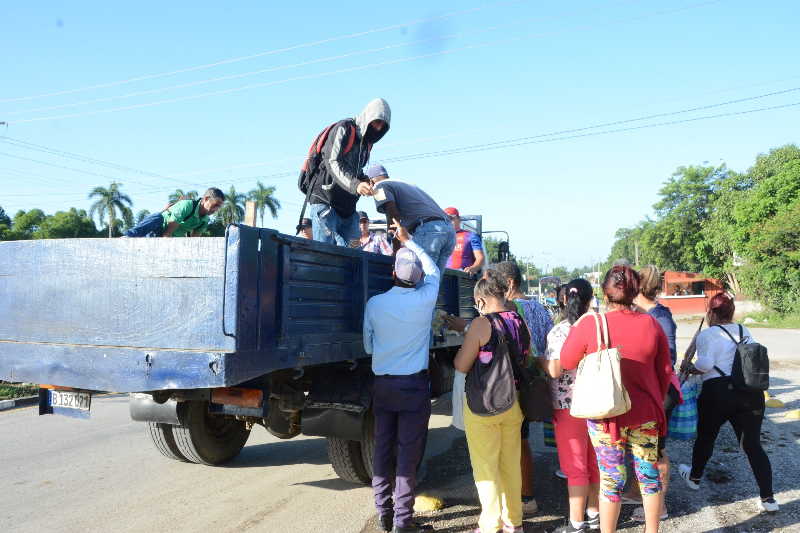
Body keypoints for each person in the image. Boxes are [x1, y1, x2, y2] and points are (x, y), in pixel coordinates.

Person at [560, 265, 673, 533]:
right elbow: (665, 372)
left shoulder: (591, 323)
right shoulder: (651, 323)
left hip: (605, 416)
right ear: (635, 291)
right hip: (645, 414)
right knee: (648, 477)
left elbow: (566, 361)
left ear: (604, 291)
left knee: (611, 479)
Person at [363, 220, 439, 533]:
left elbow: (368, 346)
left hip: (383, 385)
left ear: (392, 273)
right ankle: (402, 522)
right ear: (417, 278)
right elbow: (433, 269)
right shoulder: (425, 299)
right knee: (408, 453)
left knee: (382, 449)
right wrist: (411, 241)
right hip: (414, 387)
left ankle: (384, 514)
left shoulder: (375, 303)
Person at [679, 293, 778, 513]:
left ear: (711, 312)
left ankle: (694, 477)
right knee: (752, 445)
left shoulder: (708, 334)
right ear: (732, 311)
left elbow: (705, 364)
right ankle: (769, 499)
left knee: (706, 437)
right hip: (750, 394)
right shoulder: (745, 330)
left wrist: (689, 367)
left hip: (718, 394)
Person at [454, 270, 530, 533]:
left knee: (486, 467)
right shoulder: (518, 320)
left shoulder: (481, 324)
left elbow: (462, 365)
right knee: (510, 464)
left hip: (484, 404)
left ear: (482, 300)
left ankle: (490, 524)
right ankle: (514, 522)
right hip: (514, 402)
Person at [492, 261, 554, 514]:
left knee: (511, 441)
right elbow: (550, 343)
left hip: (512, 383)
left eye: (497, 285)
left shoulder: (508, 310)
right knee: (522, 438)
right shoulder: (540, 308)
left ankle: (518, 496)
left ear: (509, 283)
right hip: (533, 382)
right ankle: (526, 496)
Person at [540, 278, 600, 533]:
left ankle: (577, 524)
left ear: (564, 299)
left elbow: (554, 369)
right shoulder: (600, 325)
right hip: (600, 403)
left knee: (576, 467)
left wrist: (538, 361)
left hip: (568, 406)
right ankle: (595, 514)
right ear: (590, 299)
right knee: (596, 463)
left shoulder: (560, 331)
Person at [624, 265, 679, 522]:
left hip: (660, 391)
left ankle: (661, 507)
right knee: (641, 447)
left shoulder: (660, 316)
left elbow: (669, 358)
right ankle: (638, 492)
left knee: (656, 449)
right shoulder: (640, 313)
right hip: (644, 391)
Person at [307, 98, 391, 246]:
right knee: (324, 252)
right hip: (326, 203)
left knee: (354, 252)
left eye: (382, 126)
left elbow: (355, 171)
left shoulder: (367, 145)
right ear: (368, 117)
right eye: (376, 122)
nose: (378, 129)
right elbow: (332, 161)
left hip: (348, 209)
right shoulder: (344, 128)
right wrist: (356, 185)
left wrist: (365, 180)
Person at [367, 164, 456, 274]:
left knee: (418, 280)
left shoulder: (379, 186)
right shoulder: (403, 184)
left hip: (430, 231)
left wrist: (396, 251)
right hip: (448, 230)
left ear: (370, 182)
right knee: (433, 283)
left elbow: (393, 217)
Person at [124, 187, 224, 237]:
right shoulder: (187, 205)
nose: (216, 209)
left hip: (174, 240)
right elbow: (167, 234)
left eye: (219, 207)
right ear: (206, 199)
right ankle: (128, 236)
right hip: (158, 230)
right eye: (215, 205)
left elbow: (194, 241)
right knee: (157, 217)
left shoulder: (204, 221)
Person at [445, 207, 484, 275]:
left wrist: (473, 268)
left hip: (463, 278)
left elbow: (480, 258)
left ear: (459, 219)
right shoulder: (442, 237)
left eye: (451, 218)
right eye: (446, 219)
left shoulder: (471, 236)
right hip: (444, 276)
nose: (448, 221)